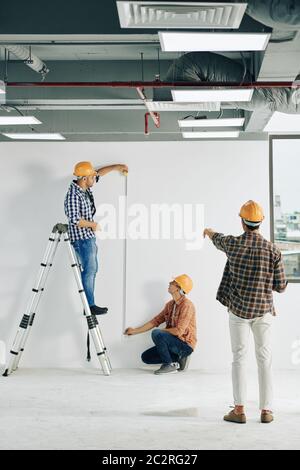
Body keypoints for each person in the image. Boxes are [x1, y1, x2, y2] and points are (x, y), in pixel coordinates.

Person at [203, 200, 287, 424]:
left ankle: (239, 410)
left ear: (242, 222)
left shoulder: (233, 244)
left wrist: (208, 231)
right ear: (261, 222)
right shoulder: (273, 249)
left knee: (239, 358)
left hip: (238, 312)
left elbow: (217, 238)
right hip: (263, 311)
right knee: (265, 359)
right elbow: (281, 286)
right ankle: (266, 411)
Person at [64, 161, 128, 316]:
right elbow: (74, 219)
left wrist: (116, 167)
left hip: (88, 238)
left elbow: (99, 173)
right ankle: (90, 305)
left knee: (92, 270)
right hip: (82, 239)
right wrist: (93, 225)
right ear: (85, 178)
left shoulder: (84, 188)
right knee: (90, 270)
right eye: (92, 176)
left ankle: (90, 304)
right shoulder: (74, 195)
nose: (95, 178)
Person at [125, 275, 197, 375]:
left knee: (157, 333)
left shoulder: (187, 305)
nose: (170, 283)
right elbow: (155, 321)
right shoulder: (170, 305)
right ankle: (178, 360)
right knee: (146, 357)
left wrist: (161, 332)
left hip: (184, 346)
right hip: (172, 344)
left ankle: (169, 365)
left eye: (173, 282)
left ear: (179, 288)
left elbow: (179, 331)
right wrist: (134, 331)